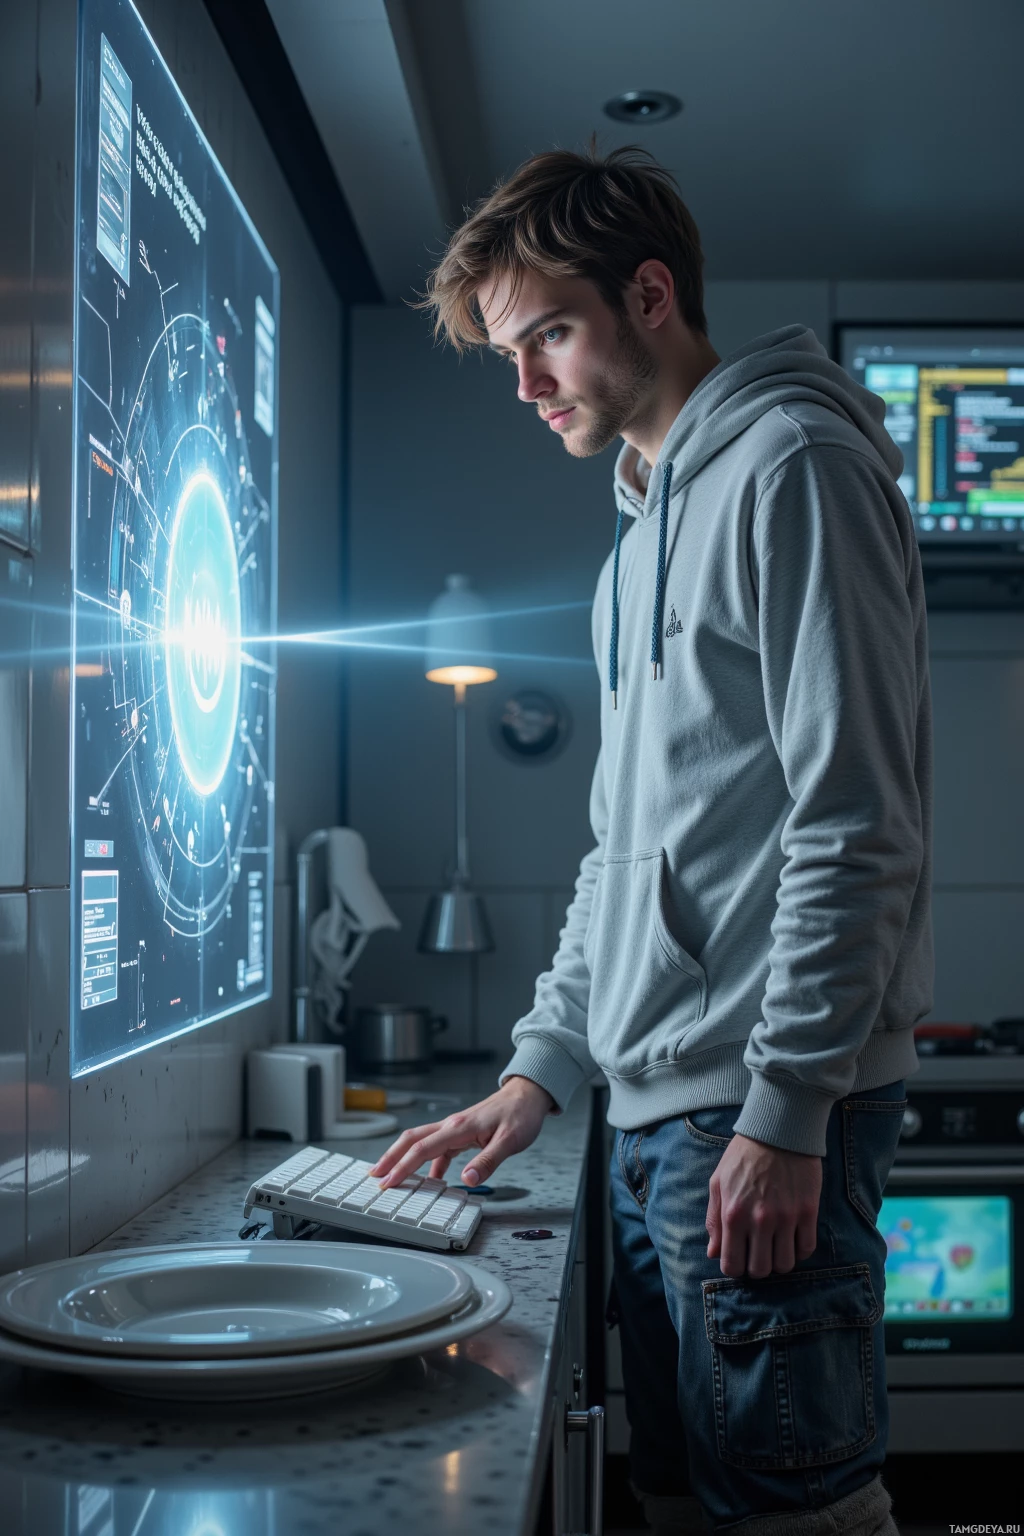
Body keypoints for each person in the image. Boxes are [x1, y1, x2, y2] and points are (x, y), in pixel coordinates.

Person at [370, 145, 932, 1536]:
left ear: (651, 294)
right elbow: (622, 853)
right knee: (689, 1504)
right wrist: (538, 1074)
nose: (528, 385)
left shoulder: (794, 467)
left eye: (548, 334)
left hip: (756, 1111)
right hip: (654, 1114)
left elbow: (858, 817)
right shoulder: (634, 546)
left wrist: (789, 1110)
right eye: (510, 353)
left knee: (796, 1509)